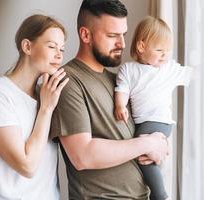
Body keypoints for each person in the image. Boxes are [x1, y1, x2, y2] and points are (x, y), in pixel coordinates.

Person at [50, 0, 169, 199]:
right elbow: (82, 155)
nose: (122, 43)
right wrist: (148, 144)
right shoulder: (68, 81)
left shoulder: (119, 82)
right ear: (85, 34)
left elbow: (146, 129)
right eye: (113, 35)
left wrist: (161, 143)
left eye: (123, 34)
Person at [0, 14, 69, 200]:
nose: (59, 55)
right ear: (27, 46)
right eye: (51, 47)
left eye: (62, 49)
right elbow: (27, 166)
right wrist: (46, 109)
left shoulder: (47, 94)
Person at [114, 16, 193, 200]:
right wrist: (120, 105)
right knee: (145, 155)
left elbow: (193, 74)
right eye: (159, 50)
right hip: (143, 122)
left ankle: (160, 195)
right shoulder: (129, 70)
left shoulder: (168, 69)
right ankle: (155, 191)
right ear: (142, 47)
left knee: (142, 155)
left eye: (167, 51)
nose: (165, 55)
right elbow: (122, 89)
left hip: (161, 121)